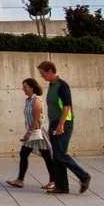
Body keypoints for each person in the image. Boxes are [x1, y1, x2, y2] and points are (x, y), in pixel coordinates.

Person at [38, 61, 92, 192]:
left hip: (63, 124)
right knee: (57, 155)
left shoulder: (62, 85)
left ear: (50, 71)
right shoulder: (51, 86)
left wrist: (61, 125)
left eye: (43, 73)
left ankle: (84, 176)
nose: (42, 76)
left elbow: (67, 106)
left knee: (60, 155)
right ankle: (62, 186)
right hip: (54, 123)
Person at [5, 76, 54, 188]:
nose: (23, 89)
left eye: (25, 87)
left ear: (32, 88)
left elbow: (36, 119)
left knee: (46, 155)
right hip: (32, 132)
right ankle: (20, 180)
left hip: (38, 133)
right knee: (24, 154)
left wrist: (29, 133)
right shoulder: (28, 100)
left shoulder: (36, 101)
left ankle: (53, 181)